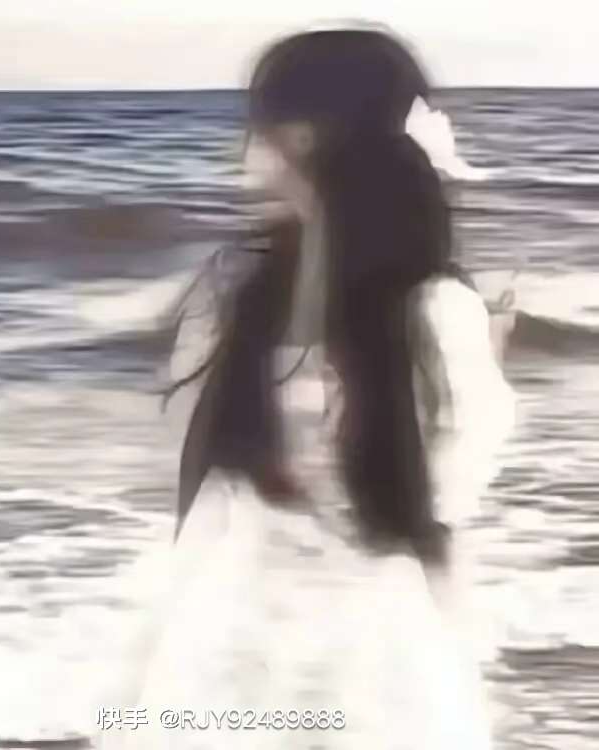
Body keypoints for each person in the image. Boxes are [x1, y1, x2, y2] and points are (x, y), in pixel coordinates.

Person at [105, 26, 516, 750]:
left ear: (297, 137)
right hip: (368, 656)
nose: (244, 147)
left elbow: (206, 480)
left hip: (236, 643)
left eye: (255, 123)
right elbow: (444, 496)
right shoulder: (432, 310)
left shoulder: (233, 293)